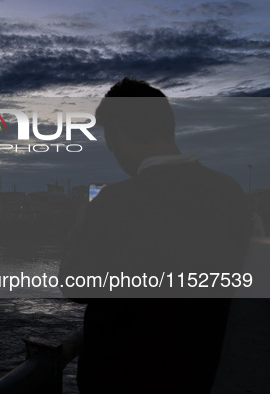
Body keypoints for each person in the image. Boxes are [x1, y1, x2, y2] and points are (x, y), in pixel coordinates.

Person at [59, 78, 251, 393]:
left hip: (121, 379)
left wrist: (81, 224)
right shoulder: (229, 191)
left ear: (118, 135)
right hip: (197, 374)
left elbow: (75, 284)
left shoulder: (114, 200)